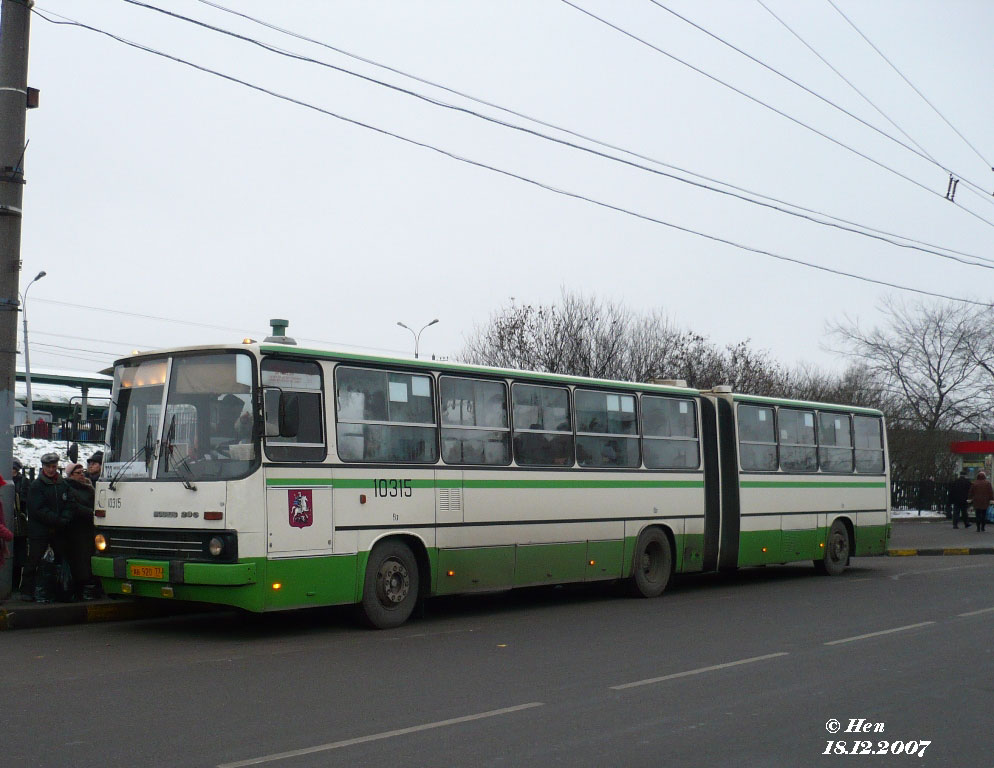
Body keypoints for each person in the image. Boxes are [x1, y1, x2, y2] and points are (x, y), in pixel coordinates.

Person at [21, 452, 72, 603]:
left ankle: (57, 590)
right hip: (40, 531)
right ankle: (27, 591)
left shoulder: (63, 484)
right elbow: (37, 509)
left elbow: (70, 503)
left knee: (59, 559)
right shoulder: (37, 485)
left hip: (58, 530)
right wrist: (57, 519)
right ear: (43, 467)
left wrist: (65, 517)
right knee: (34, 560)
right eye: (48, 467)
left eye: (54, 467)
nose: (51, 470)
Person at [65, 463, 100, 600]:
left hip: (89, 528)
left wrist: (90, 487)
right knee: (80, 559)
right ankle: (82, 588)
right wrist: (92, 513)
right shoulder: (69, 487)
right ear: (71, 475)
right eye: (78, 473)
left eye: (82, 472)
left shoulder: (87, 486)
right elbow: (74, 506)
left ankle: (90, 587)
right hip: (77, 529)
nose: (81, 475)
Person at [10, 457, 29, 593]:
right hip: (8, 521)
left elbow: (25, 501)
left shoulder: (23, 482)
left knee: (17, 555)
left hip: (18, 523)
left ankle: (15, 584)